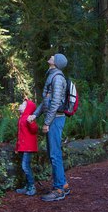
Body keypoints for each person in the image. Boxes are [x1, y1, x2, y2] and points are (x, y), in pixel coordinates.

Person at [28, 53, 70, 201]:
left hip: (55, 120)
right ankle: (63, 184)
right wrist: (35, 114)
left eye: (54, 56)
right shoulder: (52, 75)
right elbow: (46, 101)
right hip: (53, 118)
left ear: (56, 62)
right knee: (54, 152)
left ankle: (59, 190)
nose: (51, 56)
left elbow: (55, 103)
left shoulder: (58, 78)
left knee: (54, 154)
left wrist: (46, 122)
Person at [15, 98, 38, 196]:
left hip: (28, 147)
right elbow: (20, 135)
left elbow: (35, 130)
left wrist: (31, 122)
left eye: (23, 104)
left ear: (28, 108)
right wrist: (17, 147)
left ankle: (32, 186)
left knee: (25, 166)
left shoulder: (28, 117)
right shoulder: (21, 118)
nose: (20, 105)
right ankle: (27, 186)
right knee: (24, 167)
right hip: (23, 147)